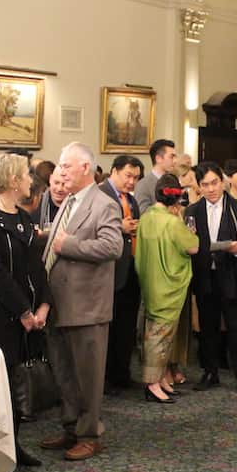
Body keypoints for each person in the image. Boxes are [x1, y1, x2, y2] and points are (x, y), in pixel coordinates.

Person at [40, 142, 123, 462]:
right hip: (60, 302)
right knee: (64, 373)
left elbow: (113, 247)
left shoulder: (104, 204)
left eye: (66, 166)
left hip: (87, 306)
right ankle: (71, 428)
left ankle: (89, 435)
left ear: (85, 168)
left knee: (87, 376)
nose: (60, 172)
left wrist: (69, 244)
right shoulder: (70, 200)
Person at [0, 153, 50, 468]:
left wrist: (44, 304)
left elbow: (35, 266)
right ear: (14, 181)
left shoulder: (23, 218)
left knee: (14, 384)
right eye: (26, 175)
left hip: (23, 315)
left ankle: (11, 446)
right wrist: (24, 312)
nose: (31, 181)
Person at [187, 161, 237, 394]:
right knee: (207, 328)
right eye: (205, 185)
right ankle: (210, 372)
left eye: (214, 183)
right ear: (199, 186)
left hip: (231, 274)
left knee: (236, 327)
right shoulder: (193, 211)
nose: (211, 189)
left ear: (222, 181)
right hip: (205, 276)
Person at [137, 174, 199, 402]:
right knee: (160, 337)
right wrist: (186, 225)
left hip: (150, 282)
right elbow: (193, 247)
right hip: (168, 285)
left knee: (153, 333)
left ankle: (161, 378)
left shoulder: (146, 218)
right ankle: (152, 383)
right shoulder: (172, 222)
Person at [101, 155, 144, 392]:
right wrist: (120, 226)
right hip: (109, 271)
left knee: (127, 327)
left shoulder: (131, 199)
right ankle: (107, 377)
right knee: (110, 327)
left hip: (130, 270)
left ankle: (122, 373)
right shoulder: (100, 194)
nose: (131, 182)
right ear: (114, 171)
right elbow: (92, 227)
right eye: (128, 176)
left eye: (136, 178)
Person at [136, 138, 175, 210]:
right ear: (158, 158)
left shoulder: (174, 182)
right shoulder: (143, 185)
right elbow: (143, 212)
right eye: (171, 157)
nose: (175, 161)